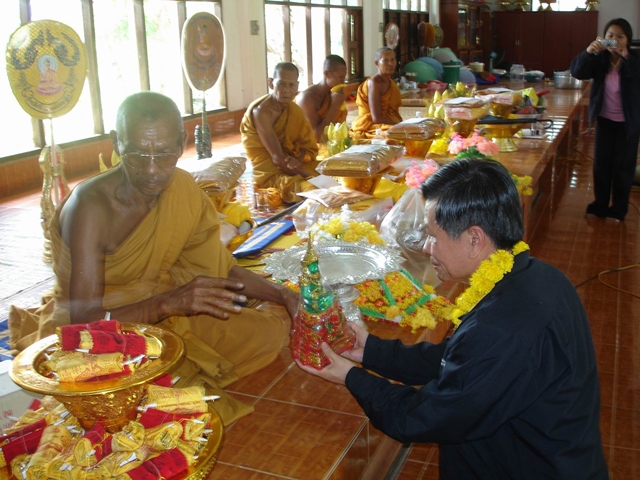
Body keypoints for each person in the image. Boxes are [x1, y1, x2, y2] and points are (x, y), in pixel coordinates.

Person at [297, 158, 608, 479]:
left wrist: (350, 377)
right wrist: (371, 351)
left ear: (475, 239)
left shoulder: (501, 328)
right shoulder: (539, 277)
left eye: (433, 235)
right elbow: (464, 359)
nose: (426, 247)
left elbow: (426, 417)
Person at [9, 91, 299, 426]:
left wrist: (284, 295)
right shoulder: (91, 206)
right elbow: (83, 322)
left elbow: (220, 270)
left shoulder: (183, 190)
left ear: (181, 143)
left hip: (165, 311)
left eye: (163, 154)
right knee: (162, 409)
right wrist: (165, 304)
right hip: (100, 337)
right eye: (137, 154)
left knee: (268, 333)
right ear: (117, 143)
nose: (151, 170)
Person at [570, 18, 640, 223]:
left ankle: (618, 210)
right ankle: (599, 205)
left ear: (628, 39)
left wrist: (626, 57)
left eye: (619, 36)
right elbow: (577, 72)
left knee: (623, 167)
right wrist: (588, 52)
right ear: (603, 38)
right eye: (610, 36)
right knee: (601, 165)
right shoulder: (599, 59)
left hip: (628, 124)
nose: (614, 40)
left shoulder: (634, 59)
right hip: (605, 120)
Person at [240, 62, 319, 203]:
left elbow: (305, 146)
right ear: (271, 83)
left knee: (329, 170)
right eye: (281, 84)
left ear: (297, 87)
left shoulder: (294, 110)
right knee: (312, 188)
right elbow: (278, 159)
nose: (286, 90)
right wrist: (309, 177)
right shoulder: (261, 113)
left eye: (291, 85)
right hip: (270, 171)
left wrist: (298, 159)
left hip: (291, 166)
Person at [350, 47, 402, 139]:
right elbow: (376, 118)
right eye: (385, 60)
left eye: (393, 60)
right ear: (377, 63)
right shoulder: (374, 82)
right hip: (369, 124)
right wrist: (399, 125)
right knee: (396, 136)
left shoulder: (390, 82)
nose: (390, 64)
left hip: (387, 122)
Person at [296, 55, 348, 142]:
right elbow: (316, 137)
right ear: (327, 74)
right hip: (308, 145)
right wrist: (334, 106)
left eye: (344, 77)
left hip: (332, 141)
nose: (343, 82)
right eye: (340, 77)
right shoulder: (306, 98)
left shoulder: (334, 93)